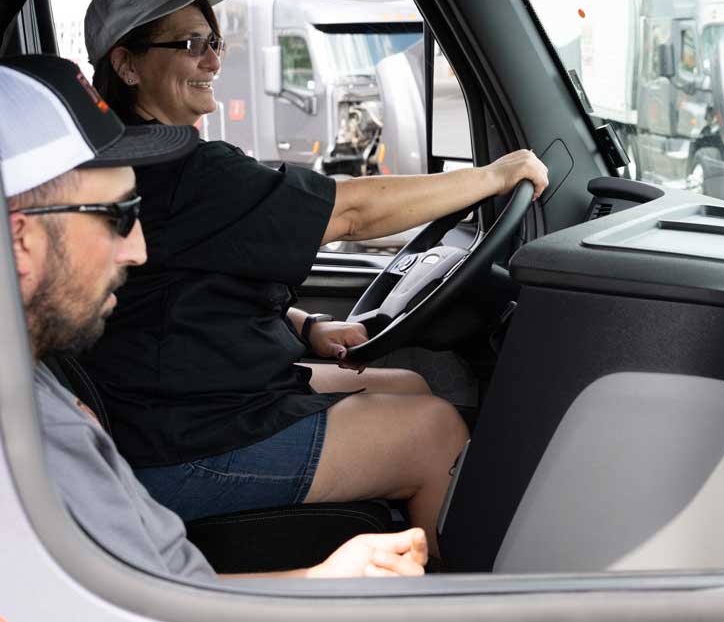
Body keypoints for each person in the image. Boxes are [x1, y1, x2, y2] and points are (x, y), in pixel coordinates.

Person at [77, 0, 549, 556]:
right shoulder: (179, 172)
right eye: (191, 45)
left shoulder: (132, 160)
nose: (212, 61)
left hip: (180, 405)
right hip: (182, 444)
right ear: (127, 66)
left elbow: (184, 288)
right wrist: (491, 178)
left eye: (215, 43)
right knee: (437, 434)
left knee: (408, 383)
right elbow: (351, 213)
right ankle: (446, 596)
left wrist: (305, 326)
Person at [1, 54, 428, 581]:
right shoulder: (37, 430)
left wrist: (327, 578)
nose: (138, 249)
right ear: (19, 240)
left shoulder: (36, 390)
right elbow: (151, 609)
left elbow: (158, 593)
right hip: (186, 433)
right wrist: (326, 585)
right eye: (119, 217)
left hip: (198, 424)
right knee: (433, 431)